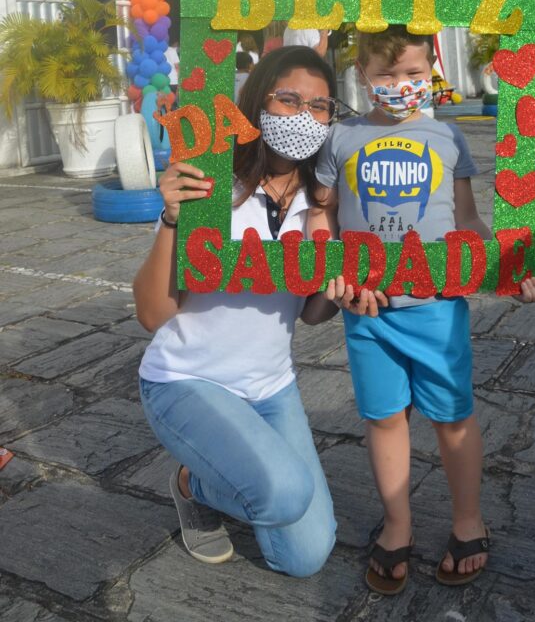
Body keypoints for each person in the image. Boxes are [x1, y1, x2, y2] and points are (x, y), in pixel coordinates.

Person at [308, 26, 535, 595]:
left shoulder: (446, 136)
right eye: (387, 75)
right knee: (384, 417)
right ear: (363, 74)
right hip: (366, 312)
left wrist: (512, 266)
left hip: (438, 309)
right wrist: (327, 266)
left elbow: (466, 220)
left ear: (432, 71)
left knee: (452, 417)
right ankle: (399, 523)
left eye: (414, 74)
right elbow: (323, 214)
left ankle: (468, 520)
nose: (401, 85)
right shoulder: (340, 137)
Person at [133, 46, 381, 578]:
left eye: (319, 106)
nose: (303, 115)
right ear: (257, 101)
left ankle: (231, 475)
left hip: (270, 386)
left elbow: (312, 314)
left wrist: (337, 294)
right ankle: (191, 484)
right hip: (185, 382)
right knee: (284, 493)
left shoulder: (323, 202)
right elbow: (153, 314)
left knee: (307, 554)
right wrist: (172, 218)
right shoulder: (210, 183)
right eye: (287, 99)